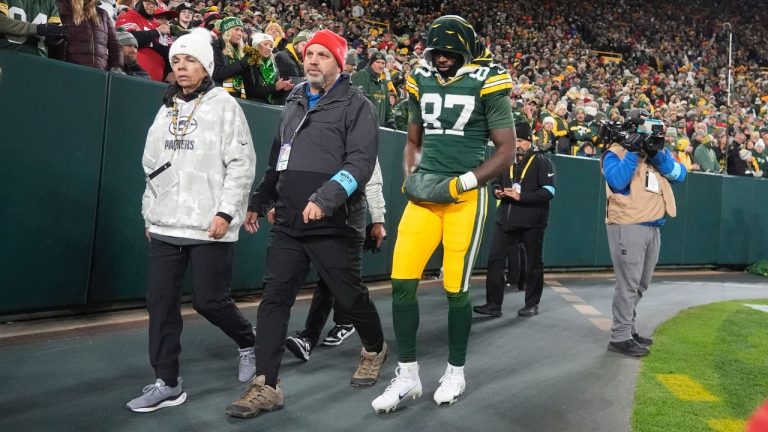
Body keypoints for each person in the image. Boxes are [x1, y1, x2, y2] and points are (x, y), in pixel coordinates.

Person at [225, 29, 387, 419]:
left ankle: (374, 347)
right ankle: (266, 385)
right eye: (309, 54)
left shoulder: (357, 105)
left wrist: (325, 198)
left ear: (339, 63)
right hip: (289, 221)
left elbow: (359, 165)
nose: (312, 61)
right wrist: (261, 199)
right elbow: (277, 158)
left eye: (322, 55)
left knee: (348, 297)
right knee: (274, 298)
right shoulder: (294, 99)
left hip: (335, 222)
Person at [371, 15, 515, 413]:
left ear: (465, 50)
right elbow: (414, 140)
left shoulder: (487, 80)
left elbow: (507, 151)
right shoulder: (422, 77)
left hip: (465, 195)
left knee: (455, 287)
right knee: (401, 280)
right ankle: (407, 374)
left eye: (450, 52)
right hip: (426, 193)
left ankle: (455, 369)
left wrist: (464, 184)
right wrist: (412, 177)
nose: (442, 59)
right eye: (437, 51)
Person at [127, 28, 258, 413]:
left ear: (207, 67)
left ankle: (247, 339)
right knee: (161, 302)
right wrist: (150, 213)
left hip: (209, 224)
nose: (182, 67)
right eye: (177, 61)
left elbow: (241, 164)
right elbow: (151, 165)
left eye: (191, 61)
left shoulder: (225, 106)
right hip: (167, 224)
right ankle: (167, 382)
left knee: (209, 300)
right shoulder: (166, 108)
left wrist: (226, 211)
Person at [601, 110, 687, 357]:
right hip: (628, 224)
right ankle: (619, 337)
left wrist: (656, 155)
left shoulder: (656, 152)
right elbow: (617, 181)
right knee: (628, 284)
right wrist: (633, 152)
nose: (652, 134)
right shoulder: (614, 152)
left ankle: (628, 328)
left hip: (653, 226)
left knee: (640, 284)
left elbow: (680, 175)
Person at [284, 158, 387, 361]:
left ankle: (349, 330)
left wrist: (378, 220)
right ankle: (310, 337)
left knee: (344, 284)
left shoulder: (362, 137)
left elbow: (373, 182)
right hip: (322, 219)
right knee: (327, 280)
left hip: (349, 222)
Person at [474, 121, 555, 318]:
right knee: (494, 260)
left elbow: (549, 191)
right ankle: (493, 305)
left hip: (532, 222)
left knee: (533, 263)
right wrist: (497, 192)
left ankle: (531, 304)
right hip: (506, 220)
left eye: (520, 140)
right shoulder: (505, 160)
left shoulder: (543, 161)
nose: (516, 144)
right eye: (513, 140)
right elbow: (495, 183)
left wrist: (522, 197)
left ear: (529, 141)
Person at [56, 0, 123, 71]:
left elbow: (115, 44)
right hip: (69, 72)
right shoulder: (62, 7)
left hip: (99, 75)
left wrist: (117, 66)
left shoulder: (103, 14)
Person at [115, 0, 171, 81]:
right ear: (139, 2)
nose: (151, 6)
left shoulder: (158, 25)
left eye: (154, 4)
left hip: (157, 81)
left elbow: (167, 51)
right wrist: (156, 32)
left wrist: (169, 72)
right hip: (132, 76)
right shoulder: (129, 15)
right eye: (148, 2)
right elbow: (126, 40)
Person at [0, 0, 66, 57]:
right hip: (7, 56)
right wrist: (36, 29)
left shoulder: (49, 2)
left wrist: (57, 36)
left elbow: (53, 33)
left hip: (39, 62)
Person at [211, 17, 254, 99]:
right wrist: (242, 64)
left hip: (240, 98)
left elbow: (250, 86)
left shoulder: (241, 50)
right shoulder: (216, 45)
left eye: (241, 31)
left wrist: (248, 67)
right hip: (219, 97)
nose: (240, 33)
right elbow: (216, 74)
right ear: (227, 30)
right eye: (236, 29)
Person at [247, 32, 294, 104]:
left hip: (269, 105)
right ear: (256, 46)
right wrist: (275, 87)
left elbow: (274, 92)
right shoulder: (250, 63)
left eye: (271, 46)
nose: (269, 48)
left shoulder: (273, 65)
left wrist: (283, 89)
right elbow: (251, 92)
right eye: (265, 44)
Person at [350, 51, 394, 127]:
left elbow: (387, 106)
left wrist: (391, 121)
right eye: (377, 62)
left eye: (383, 63)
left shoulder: (384, 82)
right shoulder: (361, 75)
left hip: (379, 128)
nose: (381, 66)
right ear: (371, 63)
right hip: (362, 126)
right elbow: (359, 101)